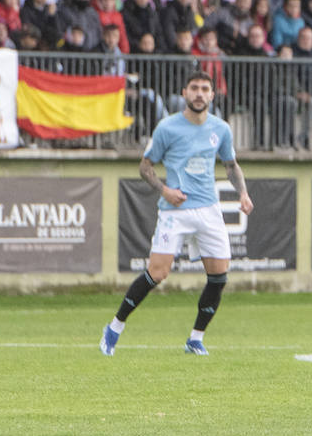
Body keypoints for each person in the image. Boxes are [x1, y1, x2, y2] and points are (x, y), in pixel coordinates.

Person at [100, 71, 253, 357]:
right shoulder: (167, 128)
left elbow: (231, 166)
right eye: (194, 88)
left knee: (219, 276)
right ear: (185, 92)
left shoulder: (220, 128)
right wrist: (164, 190)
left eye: (205, 88)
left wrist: (242, 193)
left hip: (208, 208)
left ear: (212, 94)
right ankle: (115, 327)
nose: (199, 93)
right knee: (158, 272)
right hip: (175, 210)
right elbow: (145, 167)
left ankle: (195, 338)